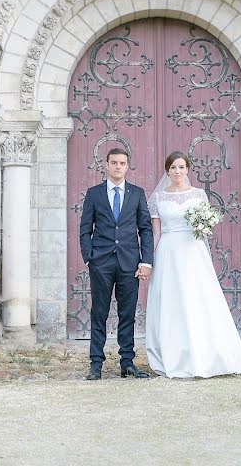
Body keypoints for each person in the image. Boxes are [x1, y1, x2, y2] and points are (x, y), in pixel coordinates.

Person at [145, 151, 241, 378]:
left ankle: (204, 352)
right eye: (173, 167)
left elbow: (204, 228)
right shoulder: (158, 198)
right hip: (168, 253)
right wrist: (150, 259)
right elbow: (156, 232)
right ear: (167, 171)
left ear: (188, 170)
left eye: (181, 167)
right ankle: (175, 353)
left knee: (196, 299)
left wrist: (203, 227)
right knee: (171, 302)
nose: (177, 171)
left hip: (193, 252)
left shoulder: (198, 194)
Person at [79, 148, 154, 380]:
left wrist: (146, 261)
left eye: (122, 163)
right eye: (114, 163)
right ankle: (96, 364)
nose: (118, 166)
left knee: (127, 314)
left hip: (129, 263)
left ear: (127, 166)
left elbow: (146, 229)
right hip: (101, 263)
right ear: (107, 165)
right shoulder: (94, 194)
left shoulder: (137, 194)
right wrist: (89, 256)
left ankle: (127, 362)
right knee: (99, 313)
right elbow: (85, 229)